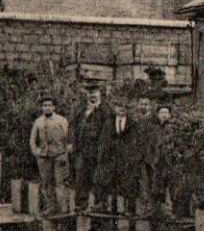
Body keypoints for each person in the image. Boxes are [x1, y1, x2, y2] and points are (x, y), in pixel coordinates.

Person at [94, 101, 142, 217]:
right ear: (115, 108)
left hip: (127, 160)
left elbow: (137, 143)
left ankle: (130, 209)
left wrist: (132, 157)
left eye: (125, 106)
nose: (122, 109)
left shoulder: (133, 124)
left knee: (129, 183)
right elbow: (103, 141)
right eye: (120, 106)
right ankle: (112, 208)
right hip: (112, 158)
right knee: (111, 182)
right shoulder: (108, 123)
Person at [71, 84, 112, 213]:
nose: (92, 94)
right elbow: (72, 127)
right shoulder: (79, 108)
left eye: (95, 92)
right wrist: (71, 143)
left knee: (99, 178)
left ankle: (100, 204)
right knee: (81, 177)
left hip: (100, 150)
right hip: (83, 149)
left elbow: (109, 130)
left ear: (100, 93)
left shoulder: (107, 109)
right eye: (89, 92)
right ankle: (81, 205)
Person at [28, 97, 71, 217]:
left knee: (60, 182)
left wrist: (65, 153)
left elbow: (69, 138)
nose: (47, 107)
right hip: (43, 156)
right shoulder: (38, 122)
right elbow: (32, 140)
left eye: (49, 105)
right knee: (46, 182)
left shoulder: (61, 120)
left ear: (54, 107)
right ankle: (51, 207)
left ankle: (63, 208)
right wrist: (36, 152)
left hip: (59, 155)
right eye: (44, 105)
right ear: (42, 107)